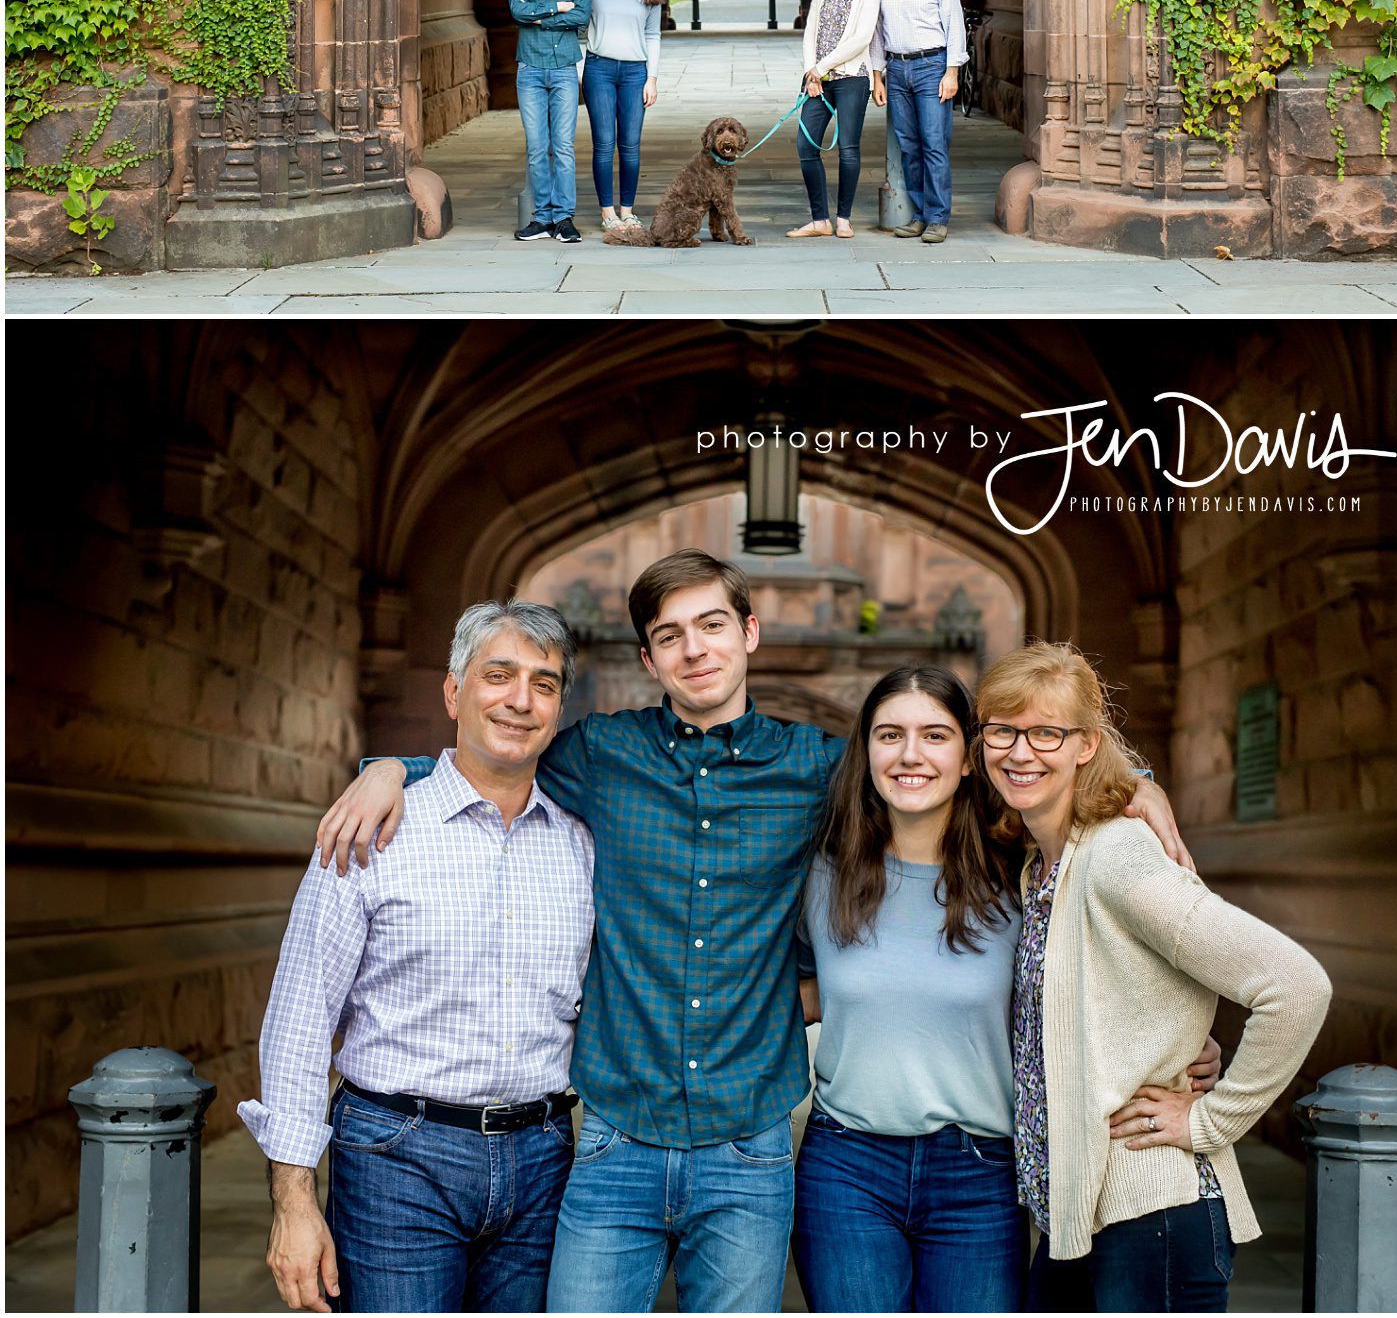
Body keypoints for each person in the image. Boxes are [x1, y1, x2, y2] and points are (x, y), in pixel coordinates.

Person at [314, 553, 1195, 1316]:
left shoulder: (822, 768)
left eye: (712, 625)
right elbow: (497, 745)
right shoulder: (598, 756)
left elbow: (979, 766)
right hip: (615, 1134)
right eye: (669, 634)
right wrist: (393, 768)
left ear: (749, 632)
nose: (694, 648)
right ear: (650, 656)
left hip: (751, 1145)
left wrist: (1131, 779)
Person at [792, 665, 1222, 1316]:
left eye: (935, 734)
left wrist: (1177, 1041)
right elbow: (791, 995)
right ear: (866, 752)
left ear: (970, 757)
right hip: (847, 1165)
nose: (910, 754)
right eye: (889, 734)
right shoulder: (822, 871)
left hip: (980, 1171)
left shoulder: (1018, 871)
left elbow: (1104, 968)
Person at [238, 603, 594, 1314]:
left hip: (543, 1154)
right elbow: (301, 1018)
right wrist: (294, 1198)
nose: (520, 699)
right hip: (398, 1156)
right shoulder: (371, 828)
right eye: (499, 675)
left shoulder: (581, 842)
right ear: (453, 692)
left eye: (544, 683)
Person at [976, 642, 1332, 1314]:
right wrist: (1176, 1035)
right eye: (1003, 729)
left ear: (1086, 743)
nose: (1020, 751)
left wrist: (1209, 1119)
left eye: (1046, 731)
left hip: (1153, 1218)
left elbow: (1296, 984)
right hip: (1077, 1221)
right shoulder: (1040, 869)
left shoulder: (1117, 857)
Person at [869, 0, 967, 245]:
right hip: (896, 70)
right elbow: (878, 35)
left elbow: (955, 27)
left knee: (934, 144)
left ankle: (938, 217)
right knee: (909, 147)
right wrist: (877, 77)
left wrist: (951, 72)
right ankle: (920, 214)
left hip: (932, 67)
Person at [786, 0, 881, 240]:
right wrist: (811, 72)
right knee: (806, 144)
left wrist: (822, 68)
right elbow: (811, 29)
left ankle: (843, 218)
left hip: (851, 78)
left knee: (848, 149)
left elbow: (861, 38)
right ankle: (819, 220)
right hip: (818, 80)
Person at [508, 0, 593, 244]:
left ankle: (564, 218)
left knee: (564, 146)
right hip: (529, 67)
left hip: (564, 70)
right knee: (536, 146)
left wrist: (538, 17)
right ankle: (542, 219)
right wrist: (557, 7)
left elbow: (582, 16)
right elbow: (517, 10)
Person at [582, 0, 665, 231]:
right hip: (599, 69)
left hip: (634, 73)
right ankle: (607, 213)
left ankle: (627, 210)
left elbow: (653, 35)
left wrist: (652, 78)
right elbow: (580, 21)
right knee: (604, 144)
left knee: (630, 145)